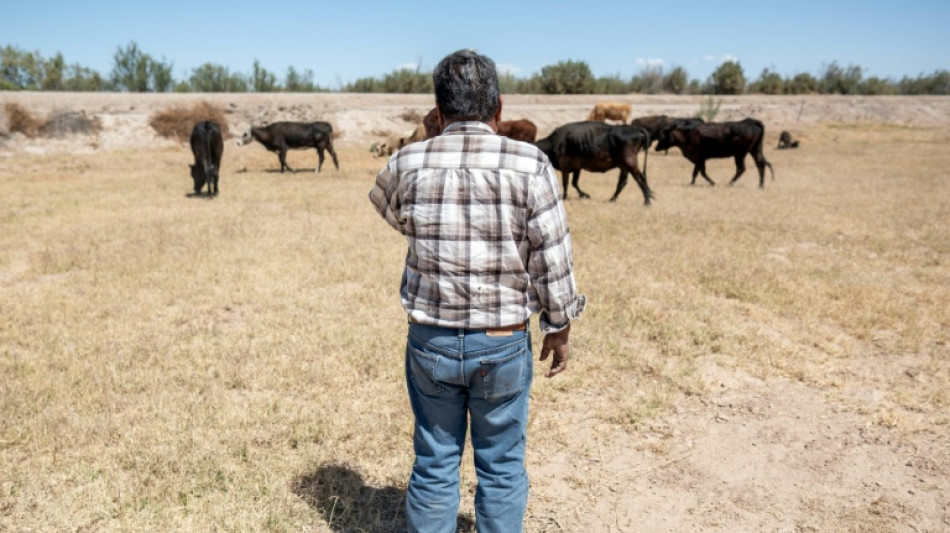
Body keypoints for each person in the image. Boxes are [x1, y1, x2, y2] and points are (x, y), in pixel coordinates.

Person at [369, 49, 586, 533]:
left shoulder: (408, 161)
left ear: (438, 111)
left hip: (431, 340)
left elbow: (391, 211)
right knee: (502, 464)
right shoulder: (531, 164)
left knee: (434, 461)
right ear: (500, 108)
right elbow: (551, 255)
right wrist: (559, 325)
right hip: (503, 340)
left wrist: (430, 142)